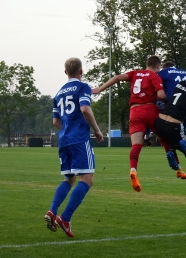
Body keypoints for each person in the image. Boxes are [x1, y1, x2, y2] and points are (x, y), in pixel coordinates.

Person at [45, 57, 104, 238]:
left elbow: (56, 121)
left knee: (68, 180)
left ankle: (52, 211)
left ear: (65, 72)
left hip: (63, 140)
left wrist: (67, 132)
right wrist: (97, 130)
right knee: (87, 179)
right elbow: (85, 109)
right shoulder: (82, 87)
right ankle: (65, 218)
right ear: (81, 72)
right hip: (79, 139)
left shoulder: (58, 93)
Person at [92, 55, 166, 192]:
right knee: (165, 138)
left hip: (134, 111)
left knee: (136, 145)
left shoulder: (135, 73)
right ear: (157, 66)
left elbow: (117, 77)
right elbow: (161, 95)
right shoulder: (154, 76)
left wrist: (100, 89)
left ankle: (133, 169)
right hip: (149, 108)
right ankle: (178, 167)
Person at [154, 67, 186, 181]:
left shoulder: (180, 83)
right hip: (174, 125)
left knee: (173, 141)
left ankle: (171, 151)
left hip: (159, 122)